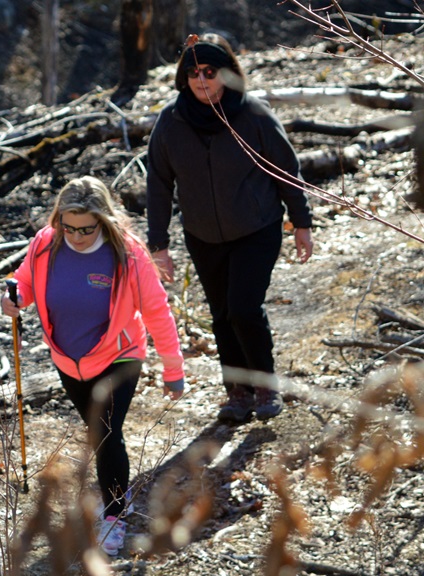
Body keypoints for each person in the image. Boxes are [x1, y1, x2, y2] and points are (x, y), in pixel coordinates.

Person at [0, 176, 186, 556]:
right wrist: (13, 299)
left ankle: (114, 516)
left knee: (105, 433)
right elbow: (23, 284)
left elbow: (157, 313)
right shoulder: (45, 245)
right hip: (69, 360)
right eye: (68, 227)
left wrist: (173, 369)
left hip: (120, 355)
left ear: (103, 220)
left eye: (86, 229)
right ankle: (118, 490)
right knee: (97, 432)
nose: (77, 237)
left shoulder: (128, 255)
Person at [145, 33, 314, 424]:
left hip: (257, 227)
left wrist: (301, 222)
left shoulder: (252, 113)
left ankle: (265, 385)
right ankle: (236, 392)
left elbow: (287, 170)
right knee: (221, 314)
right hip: (203, 235)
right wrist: (159, 243)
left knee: (243, 308)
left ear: (228, 74)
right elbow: (158, 182)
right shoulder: (171, 121)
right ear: (182, 79)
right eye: (193, 73)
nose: (202, 80)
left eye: (211, 72)